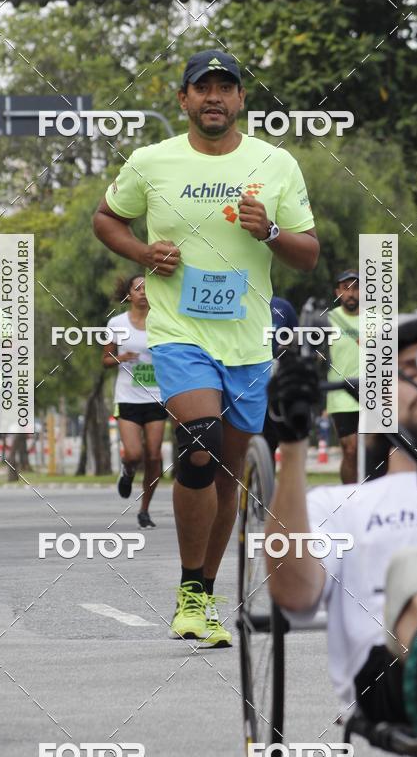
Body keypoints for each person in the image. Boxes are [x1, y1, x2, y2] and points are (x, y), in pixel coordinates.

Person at [94, 48, 319, 646]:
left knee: (227, 476)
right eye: (203, 87)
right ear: (184, 100)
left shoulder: (275, 163)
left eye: (226, 87)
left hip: (247, 342)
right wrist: (142, 253)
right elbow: (106, 219)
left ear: (242, 99)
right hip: (179, 332)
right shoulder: (150, 161)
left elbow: (309, 252)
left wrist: (269, 230)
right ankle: (189, 593)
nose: (214, 97)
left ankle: (204, 592)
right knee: (199, 444)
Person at [266, 311, 417, 757]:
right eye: (410, 372)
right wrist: (292, 446)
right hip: (395, 675)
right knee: (415, 572)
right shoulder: (341, 505)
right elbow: (293, 593)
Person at [103, 272, 167, 528]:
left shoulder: (163, 322)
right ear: (129, 295)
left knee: (153, 455)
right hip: (128, 397)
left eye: (147, 288)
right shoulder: (116, 324)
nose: (143, 292)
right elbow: (105, 360)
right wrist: (121, 358)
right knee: (133, 454)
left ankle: (144, 509)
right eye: (138, 288)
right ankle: (127, 472)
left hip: (157, 397)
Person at [327, 269, 360, 483]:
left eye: (356, 288)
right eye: (346, 288)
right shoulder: (327, 321)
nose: (351, 293)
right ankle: (349, 496)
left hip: (375, 393)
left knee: (376, 452)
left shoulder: (379, 319)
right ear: (338, 292)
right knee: (351, 450)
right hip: (341, 395)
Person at [262, 295, 299, 459]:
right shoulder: (241, 301)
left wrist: (288, 349)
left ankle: (265, 482)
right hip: (245, 377)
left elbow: (297, 341)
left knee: (271, 438)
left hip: (275, 381)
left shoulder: (283, 307)